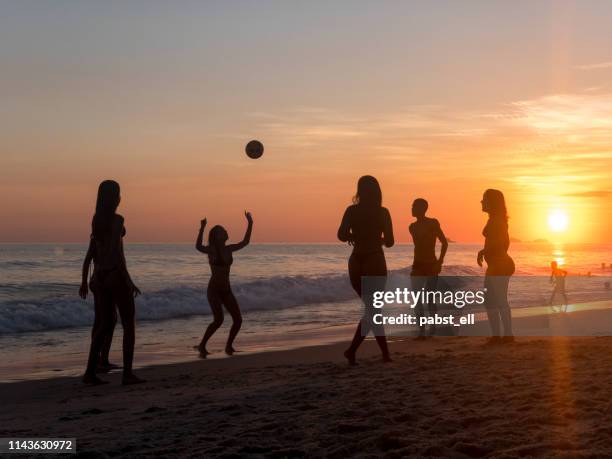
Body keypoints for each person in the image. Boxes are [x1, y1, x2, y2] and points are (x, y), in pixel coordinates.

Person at [81, 180, 144, 385]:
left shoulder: (96, 219)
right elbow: (117, 252)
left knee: (104, 324)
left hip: (99, 277)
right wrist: (128, 279)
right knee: (128, 324)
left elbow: (94, 252)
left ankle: (90, 372)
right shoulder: (118, 220)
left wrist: (84, 281)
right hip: (115, 275)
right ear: (116, 197)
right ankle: (127, 374)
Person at [338, 175, 394, 365]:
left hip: (355, 261)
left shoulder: (351, 211)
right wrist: (377, 238)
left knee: (372, 310)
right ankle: (353, 350)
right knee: (374, 310)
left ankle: (384, 355)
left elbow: (341, 235)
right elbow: (391, 241)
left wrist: (355, 235)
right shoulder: (382, 212)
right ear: (377, 191)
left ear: (359, 190)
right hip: (374, 259)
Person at [195, 211, 253, 356]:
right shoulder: (212, 250)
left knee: (238, 320)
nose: (226, 231)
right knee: (218, 320)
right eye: (222, 231)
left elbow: (245, 242)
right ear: (216, 236)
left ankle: (228, 346)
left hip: (226, 290)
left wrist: (250, 223)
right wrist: (202, 228)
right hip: (214, 291)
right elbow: (198, 247)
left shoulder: (229, 249)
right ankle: (202, 345)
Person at [477, 189, 515, 344]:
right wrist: (485, 252)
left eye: (484, 199)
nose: (481, 202)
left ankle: (505, 335)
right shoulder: (494, 219)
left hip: (500, 265)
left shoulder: (497, 220)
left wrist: (484, 250)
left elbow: (503, 242)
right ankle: (500, 335)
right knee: (492, 300)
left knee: (498, 300)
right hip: (496, 265)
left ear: (492, 202)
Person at [409, 198, 448, 338]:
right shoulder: (411, 227)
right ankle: (421, 330)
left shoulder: (433, 223)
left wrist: (440, 262)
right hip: (417, 265)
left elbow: (444, 243)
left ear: (422, 208)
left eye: (414, 206)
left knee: (430, 298)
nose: (411, 208)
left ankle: (432, 326)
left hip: (431, 264)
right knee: (416, 299)